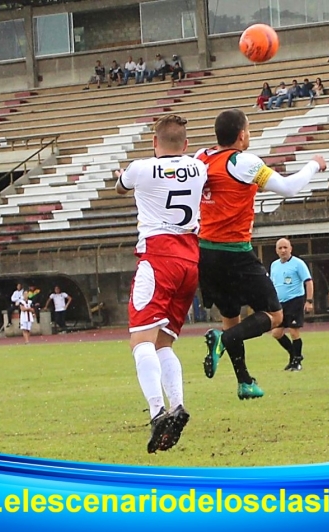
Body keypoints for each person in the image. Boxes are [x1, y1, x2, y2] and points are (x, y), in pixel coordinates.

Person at [196, 109, 326, 400]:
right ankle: (222, 339)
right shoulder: (243, 162)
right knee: (275, 315)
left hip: (205, 251)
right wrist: (314, 165)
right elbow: (289, 188)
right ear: (242, 135)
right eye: (249, 129)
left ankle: (244, 382)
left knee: (230, 316)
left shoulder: (200, 157)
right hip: (235, 252)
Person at [114, 114, 206, 453]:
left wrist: (124, 178)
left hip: (158, 258)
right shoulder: (199, 167)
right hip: (190, 260)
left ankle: (157, 412)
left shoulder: (141, 168)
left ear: (155, 143)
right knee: (164, 343)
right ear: (184, 144)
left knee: (140, 340)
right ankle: (177, 404)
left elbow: (120, 186)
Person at [269, 238, 314, 371]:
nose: (283, 250)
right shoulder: (274, 265)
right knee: (276, 333)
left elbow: (308, 281)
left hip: (295, 301)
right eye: (280, 248)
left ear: (290, 248)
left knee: (294, 331)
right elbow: (273, 284)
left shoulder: (298, 264)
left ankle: (297, 361)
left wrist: (309, 301)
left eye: (285, 247)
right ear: (276, 250)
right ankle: (293, 354)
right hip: (279, 304)